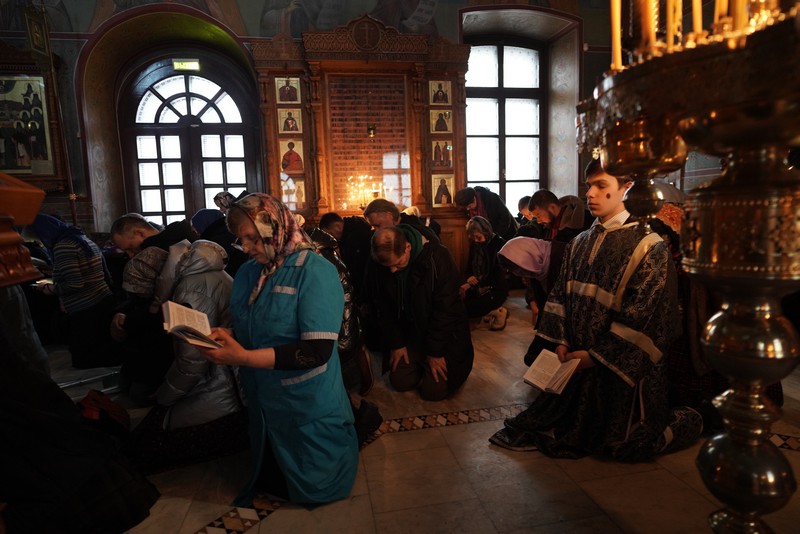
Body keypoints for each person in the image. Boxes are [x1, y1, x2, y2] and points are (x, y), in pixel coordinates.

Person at [490, 159, 703, 461]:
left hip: (621, 372)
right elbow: (560, 297)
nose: (590, 193)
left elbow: (645, 318)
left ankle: (692, 417)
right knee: (554, 423)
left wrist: (594, 358)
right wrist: (561, 341)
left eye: (601, 185)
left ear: (627, 188)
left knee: (624, 444)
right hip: (575, 360)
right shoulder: (579, 242)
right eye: (589, 185)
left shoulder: (649, 246)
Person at [200, 193, 358, 506]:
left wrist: (243, 357)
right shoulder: (249, 272)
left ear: (276, 228)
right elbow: (257, 324)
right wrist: (228, 335)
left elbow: (316, 352)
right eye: (241, 239)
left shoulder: (315, 271)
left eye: (253, 238)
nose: (246, 248)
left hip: (304, 395)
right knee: (271, 459)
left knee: (314, 476)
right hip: (264, 393)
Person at [125, 240, 248, 474]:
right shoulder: (206, 273)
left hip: (220, 388)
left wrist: (164, 396)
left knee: (146, 445)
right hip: (231, 381)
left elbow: (193, 360)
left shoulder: (189, 291)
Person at [370, 225, 474, 400]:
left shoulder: (438, 258)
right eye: (388, 266)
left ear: (408, 247)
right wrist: (397, 343)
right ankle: (419, 363)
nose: (392, 271)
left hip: (444, 338)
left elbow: (446, 311)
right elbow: (384, 308)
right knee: (400, 381)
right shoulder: (382, 262)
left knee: (433, 392)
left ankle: (429, 365)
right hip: (411, 335)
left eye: (397, 264)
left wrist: (435, 353)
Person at [28, 213, 118, 369]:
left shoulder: (63, 247)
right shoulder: (80, 238)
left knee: (84, 359)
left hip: (86, 306)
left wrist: (50, 288)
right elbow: (104, 273)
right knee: (97, 352)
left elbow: (75, 284)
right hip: (101, 299)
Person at [459, 216, 509, 326]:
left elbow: (497, 275)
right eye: (473, 238)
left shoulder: (499, 244)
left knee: (466, 308)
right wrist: (469, 278)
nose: (476, 241)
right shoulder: (475, 244)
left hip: (494, 288)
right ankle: (487, 313)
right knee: (455, 302)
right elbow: (469, 267)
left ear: (486, 232)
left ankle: (497, 312)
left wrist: (472, 283)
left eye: (478, 237)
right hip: (476, 285)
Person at [191, 207, 248, 277]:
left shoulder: (215, 242)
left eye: (196, 228)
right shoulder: (229, 232)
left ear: (203, 224)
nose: (196, 232)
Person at [110, 213, 195, 258]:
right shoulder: (180, 230)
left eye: (130, 248)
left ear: (140, 233)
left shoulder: (149, 255)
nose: (130, 255)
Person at [454, 186, 518, 241]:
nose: (468, 209)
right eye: (466, 207)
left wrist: (496, 236)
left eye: (469, 206)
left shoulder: (492, 198)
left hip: (505, 235)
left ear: (474, 199)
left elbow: (505, 217)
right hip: (486, 237)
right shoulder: (466, 203)